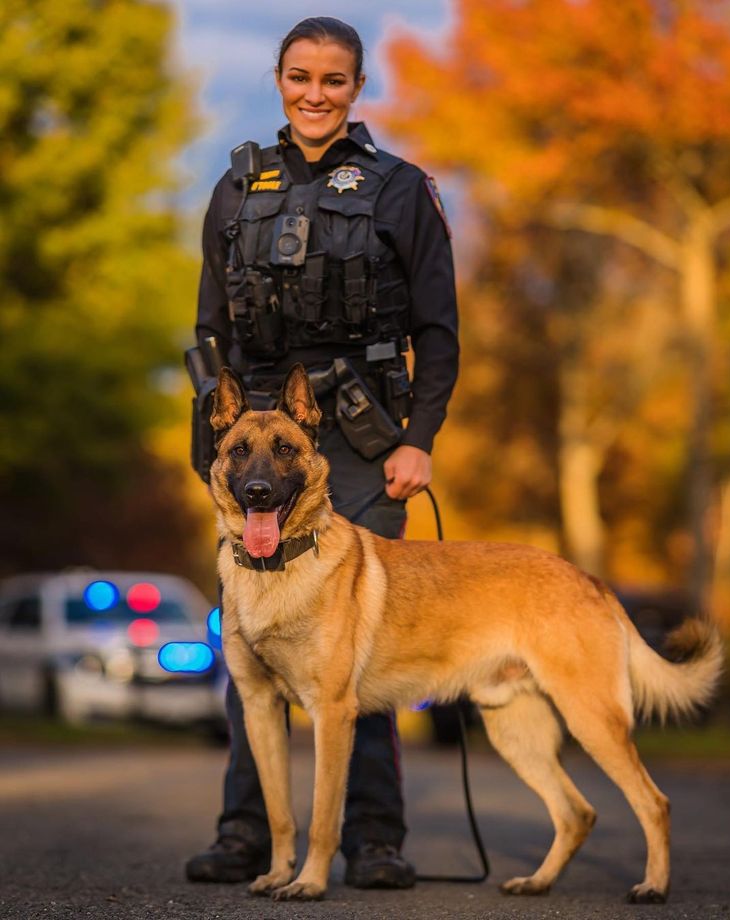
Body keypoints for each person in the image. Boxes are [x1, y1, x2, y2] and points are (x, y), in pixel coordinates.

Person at [185, 16, 459, 890]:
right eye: (300, 76)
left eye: (334, 80)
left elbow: (438, 332)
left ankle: (374, 837)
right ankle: (244, 833)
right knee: (251, 647)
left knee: (361, 655)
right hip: (259, 439)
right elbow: (210, 334)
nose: (315, 93)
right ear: (277, 79)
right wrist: (214, 456)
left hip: (365, 438)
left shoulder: (400, 188)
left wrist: (418, 440)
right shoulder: (235, 190)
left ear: (356, 86)